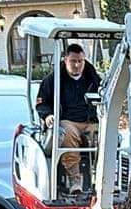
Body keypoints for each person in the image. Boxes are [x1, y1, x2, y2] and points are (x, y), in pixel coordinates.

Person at [35, 42, 101, 195]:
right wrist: (47, 116)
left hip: (90, 121)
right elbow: (41, 102)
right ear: (65, 60)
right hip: (67, 121)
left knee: (103, 136)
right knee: (67, 135)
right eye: (73, 61)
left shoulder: (93, 79)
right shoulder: (52, 80)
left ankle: (101, 179)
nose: (77, 65)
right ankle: (75, 181)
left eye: (80, 61)